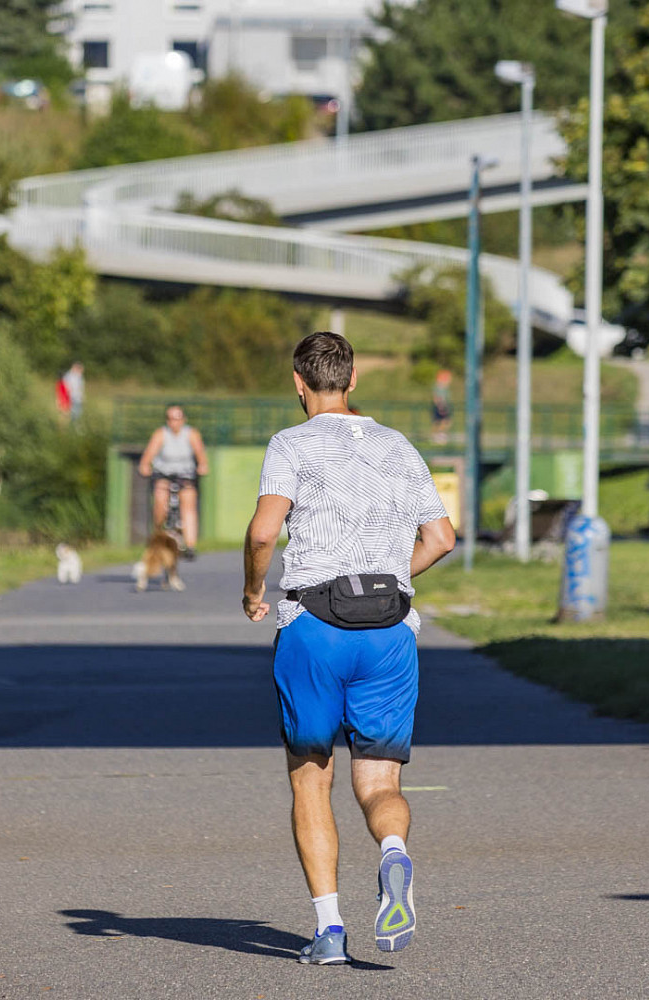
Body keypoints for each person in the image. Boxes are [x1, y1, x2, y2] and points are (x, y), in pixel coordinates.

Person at [241, 332, 456, 965]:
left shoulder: (291, 443)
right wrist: (397, 575)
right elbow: (441, 537)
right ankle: (394, 856)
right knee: (379, 780)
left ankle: (330, 932)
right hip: (391, 628)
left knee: (312, 778)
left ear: (298, 383)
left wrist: (254, 589)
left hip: (315, 624)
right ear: (354, 380)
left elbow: (262, 532)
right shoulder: (397, 444)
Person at [137, 404, 208, 558]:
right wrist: (145, 466)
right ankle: (158, 533)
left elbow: (201, 455)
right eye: (170, 419)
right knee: (160, 502)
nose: (174, 422)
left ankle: (190, 545)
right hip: (164, 474)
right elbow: (148, 456)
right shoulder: (160, 434)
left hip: (185, 474)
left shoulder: (191, 434)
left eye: (177, 418)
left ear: (183, 419)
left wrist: (202, 466)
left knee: (188, 505)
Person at [430, 368, 453, 444]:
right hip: (440, 406)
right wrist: (440, 405)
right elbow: (436, 398)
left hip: (445, 406)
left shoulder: (445, 388)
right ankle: (437, 436)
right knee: (439, 421)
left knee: (445, 421)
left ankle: (440, 435)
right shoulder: (438, 388)